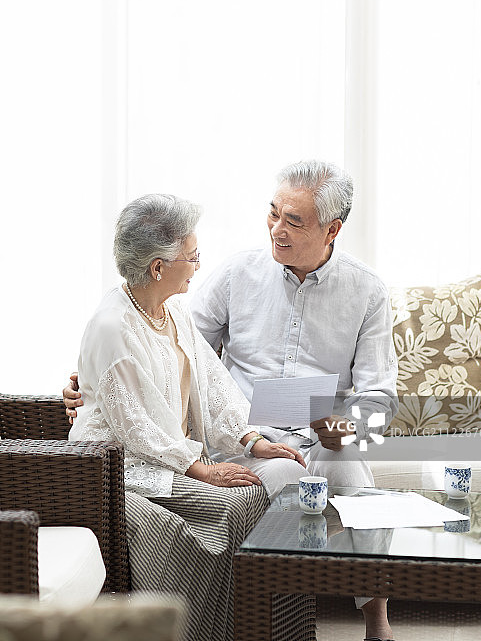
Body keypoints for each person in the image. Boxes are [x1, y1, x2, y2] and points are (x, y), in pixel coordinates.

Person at [66, 161, 399, 641]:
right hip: (239, 438)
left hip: (323, 436)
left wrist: (337, 424)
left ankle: (377, 624)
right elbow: (162, 345)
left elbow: (379, 398)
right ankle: (272, 621)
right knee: (283, 479)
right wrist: (88, 379)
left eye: (294, 221)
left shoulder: (367, 291)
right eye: (273, 213)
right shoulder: (237, 273)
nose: (277, 230)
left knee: (351, 473)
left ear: (333, 230)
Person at [68, 193, 307, 641]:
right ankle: (194, 630)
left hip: (167, 456)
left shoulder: (173, 309)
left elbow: (214, 382)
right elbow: (136, 427)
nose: (198, 265)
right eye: (192, 257)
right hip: (118, 465)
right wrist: (202, 470)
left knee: (247, 499)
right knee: (226, 504)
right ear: (158, 267)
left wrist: (251, 439)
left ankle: (238, 627)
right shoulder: (112, 326)